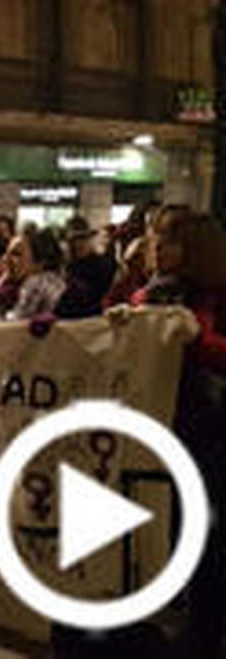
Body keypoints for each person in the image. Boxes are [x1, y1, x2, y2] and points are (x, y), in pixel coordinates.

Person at [122, 210, 226, 659]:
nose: (158, 248)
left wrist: (198, 338)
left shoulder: (216, 298)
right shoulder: (152, 293)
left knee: (206, 534)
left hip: (209, 430)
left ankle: (205, 631)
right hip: (165, 427)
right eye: (155, 239)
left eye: (170, 240)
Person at [0, 228, 67, 322]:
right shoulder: (1, 289)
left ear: (39, 263)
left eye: (16, 254)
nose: (5, 259)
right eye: (6, 253)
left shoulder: (62, 297)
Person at [56, 216, 117, 319]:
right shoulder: (68, 267)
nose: (79, 244)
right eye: (75, 240)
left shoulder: (104, 264)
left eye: (83, 238)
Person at [103, 236, 151, 309]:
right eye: (135, 259)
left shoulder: (153, 276)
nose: (137, 263)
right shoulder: (127, 278)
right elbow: (108, 303)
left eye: (140, 257)